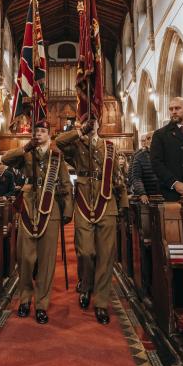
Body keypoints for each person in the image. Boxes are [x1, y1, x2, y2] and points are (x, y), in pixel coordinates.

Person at [56, 118, 129, 325]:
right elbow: (59, 143)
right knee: (85, 252)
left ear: (99, 125)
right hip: (84, 202)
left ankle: (101, 302)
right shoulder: (76, 145)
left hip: (107, 202)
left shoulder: (109, 147)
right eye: (86, 121)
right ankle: (86, 285)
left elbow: (118, 177)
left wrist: (123, 204)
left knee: (106, 255)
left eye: (92, 122)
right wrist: (79, 132)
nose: (90, 124)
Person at [2, 121, 73, 324]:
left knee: (47, 259)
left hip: (51, 209)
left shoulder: (56, 156)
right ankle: (25, 299)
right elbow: (6, 159)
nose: (39, 134)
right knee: (25, 257)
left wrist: (67, 211)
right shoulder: (26, 153)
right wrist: (26, 147)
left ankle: (41, 304)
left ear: (49, 135)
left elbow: (66, 184)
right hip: (29, 206)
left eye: (42, 131)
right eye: (36, 131)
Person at [128, 132, 159, 203]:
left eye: (154, 138)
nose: (151, 141)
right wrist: (142, 193)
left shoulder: (166, 155)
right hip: (147, 195)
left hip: (163, 195)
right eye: (148, 139)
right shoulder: (139, 156)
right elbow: (135, 177)